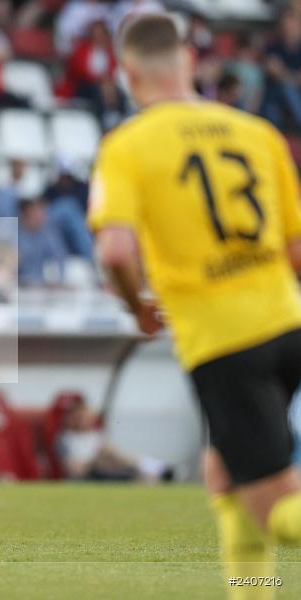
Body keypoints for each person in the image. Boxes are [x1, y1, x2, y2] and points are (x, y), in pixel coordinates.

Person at [88, 14, 301, 595]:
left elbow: (114, 249)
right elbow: (295, 248)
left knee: (277, 511)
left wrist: (138, 307)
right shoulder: (257, 133)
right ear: (189, 60)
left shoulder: (127, 146)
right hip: (287, 323)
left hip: (225, 342)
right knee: (225, 478)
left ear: (129, 74)